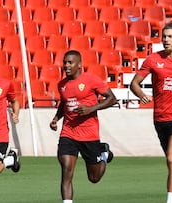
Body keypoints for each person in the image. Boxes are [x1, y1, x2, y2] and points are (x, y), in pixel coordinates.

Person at [130, 22, 172, 203]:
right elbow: (134, 83)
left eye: (170, 36)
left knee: (171, 157)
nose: (166, 40)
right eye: (164, 36)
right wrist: (142, 94)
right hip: (160, 118)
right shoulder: (153, 59)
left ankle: (170, 200)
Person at [49, 50, 117, 203]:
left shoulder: (91, 80)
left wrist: (91, 109)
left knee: (94, 178)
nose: (66, 65)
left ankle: (104, 154)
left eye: (70, 62)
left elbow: (112, 99)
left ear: (79, 65)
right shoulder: (62, 84)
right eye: (64, 62)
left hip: (89, 134)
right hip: (68, 132)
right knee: (66, 169)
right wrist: (56, 118)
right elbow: (64, 104)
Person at [0, 76, 20, 174]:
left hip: (1, 133)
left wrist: (16, 113)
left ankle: (9, 160)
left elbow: (14, 100)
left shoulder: (6, 83)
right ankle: (10, 159)